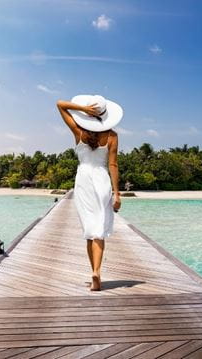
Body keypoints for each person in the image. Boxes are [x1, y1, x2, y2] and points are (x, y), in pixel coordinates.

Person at [56, 95, 123, 291]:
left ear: (90, 113)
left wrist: (83, 109)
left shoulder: (79, 131)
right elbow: (113, 165)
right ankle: (97, 271)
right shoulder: (112, 136)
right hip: (102, 179)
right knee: (99, 230)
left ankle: (92, 271)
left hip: (83, 179)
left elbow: (60, 105)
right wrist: (117, 194)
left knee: (89, 229)